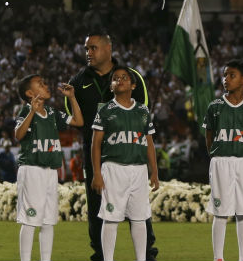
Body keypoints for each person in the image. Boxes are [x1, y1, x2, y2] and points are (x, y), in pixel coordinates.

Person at [67, 34, 155, 261]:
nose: (88, 52)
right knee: (98, 208)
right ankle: (101, 255)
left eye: (93, 48)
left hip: (132, 153)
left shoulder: (131, 76)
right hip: (96, 152)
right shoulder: (77, 81)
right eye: (86, 48)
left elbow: (142, 116)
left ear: (108, 48)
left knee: (139, 212)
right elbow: (74, 118)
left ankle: (146, 254)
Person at [91, 67, 159, 261]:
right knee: (111, 218)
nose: (119, 80)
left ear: (133, 85)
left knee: (139, 218)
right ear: (111, 86)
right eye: (115, 78)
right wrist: (97, 173)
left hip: (138, 170)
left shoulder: (143, 111)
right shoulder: (105, 110)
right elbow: (95, 144)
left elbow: (149, 144)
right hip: (113, 168)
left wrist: (154, 172)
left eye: (124, 78)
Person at [13, 74, 84, 261]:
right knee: (30, 221)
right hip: (32, 169)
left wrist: (72, 98)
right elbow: (18, 135)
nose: (46, 85)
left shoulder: (52, 113)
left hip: (51, 171)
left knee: (48, 222)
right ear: (30, 93)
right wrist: (31, 112)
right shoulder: (25, 111)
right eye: (40, 84)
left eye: (45, 82)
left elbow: (78, 122)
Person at [203, 59, 243, 261]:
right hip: (221, 161)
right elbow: (209, 135)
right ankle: (218, 258)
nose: (225, 79)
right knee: (221, 212)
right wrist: (216, 153)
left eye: (231, 75)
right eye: (224, 75)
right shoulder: (215, 106)